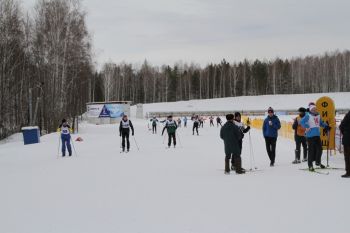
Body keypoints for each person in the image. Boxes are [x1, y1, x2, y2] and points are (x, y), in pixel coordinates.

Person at [300, 103, 329, 171]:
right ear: (310, 110)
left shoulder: (318, 115)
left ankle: (317, 162)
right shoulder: (308, 115)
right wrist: (307, 126)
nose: (314, 110)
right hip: (310, 136)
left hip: (317, 135)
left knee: (320, 149)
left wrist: (326, 126)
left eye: (315, 109)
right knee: (311, 151)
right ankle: (310, 165)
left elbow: (321, 123)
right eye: (313, 109)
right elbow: (301, 122)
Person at [339, 111, 350, 177]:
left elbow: (341, 126)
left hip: (347, 139)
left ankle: (348, 172)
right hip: (347, 138)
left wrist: (345, 133)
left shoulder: (347, 115)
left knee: (348, 157)